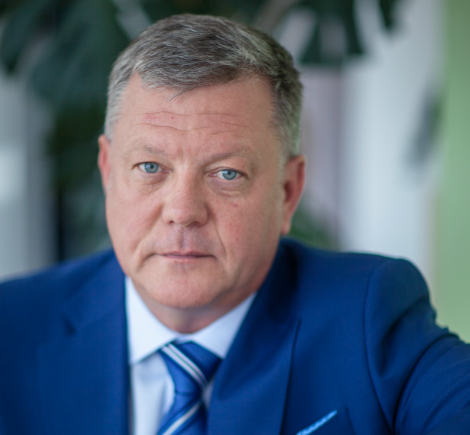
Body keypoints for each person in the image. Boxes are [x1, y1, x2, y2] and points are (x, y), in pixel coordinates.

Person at [0, 14, 469, 435]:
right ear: (107, 172)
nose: (182, 210)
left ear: (287, 191)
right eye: (150, 167)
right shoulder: (12, 327)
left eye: (227, 173)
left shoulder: (367, 317)